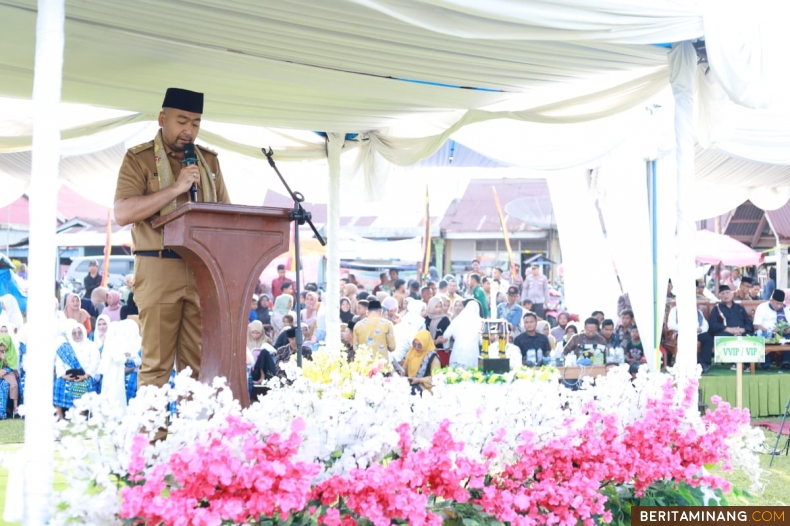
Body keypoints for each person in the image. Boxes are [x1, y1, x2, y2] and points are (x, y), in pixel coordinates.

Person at [113, 87, 231, 390]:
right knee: (156, 366)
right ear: (162, 119)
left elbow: (226, 218)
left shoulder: (208, 162)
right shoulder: (138, 159)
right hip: (158, 266)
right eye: (181, 121)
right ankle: (151, 438)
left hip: (201, 269)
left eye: (195, 122)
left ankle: (187, 437)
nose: (188, 130)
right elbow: (123, 212)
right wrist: (177, 188)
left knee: (197, 368)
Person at [53, 321, 101, 419]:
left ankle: (81, 416)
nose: (77, 335)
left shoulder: (91, 345)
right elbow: (59, 363)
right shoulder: (65, 347)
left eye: (79, 332)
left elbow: (95, 363)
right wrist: (63, 375)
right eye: (74, 333)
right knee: (59, 382)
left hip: (86, 375)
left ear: (84, 332)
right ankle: (59, 415)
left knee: (81, 385)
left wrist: (85, 375)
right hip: (68, 375)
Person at [99, 320, 135, 413]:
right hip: (112, 371)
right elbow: (116, 357)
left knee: (118, 391)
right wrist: (125, 356)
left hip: (117, 371)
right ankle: (111, 414)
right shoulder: (111, 342)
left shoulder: (112, 341)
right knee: (113, 392)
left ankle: (118, 414)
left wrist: (124, 355)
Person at [667, 304, 713, 373]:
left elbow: (705, 325)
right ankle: (700, 363)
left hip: (697, 332)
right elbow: (671, 325)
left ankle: (706, 363)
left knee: (708, 339)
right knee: (688, 341)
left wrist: (700, 329)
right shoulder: (675, 310)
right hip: (683, 333)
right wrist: (687, 329)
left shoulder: (698, 311)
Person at [753, 290, 790, 369]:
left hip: (781, 333)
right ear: (771, 301)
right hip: (766, 332)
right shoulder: (762, 307)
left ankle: (786, 362)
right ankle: (766, 364)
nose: (779, 306)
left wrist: (788, 329)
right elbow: (756, 326)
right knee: (762, 336)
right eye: (777, 303)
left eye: (781, 303)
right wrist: (769, 330)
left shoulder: (785, 309)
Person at [444, 299, 482, 368]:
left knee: (454, 376)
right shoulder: (479, 322)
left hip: (457, 354)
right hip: (472, 356)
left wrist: (446, 347)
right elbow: (482, 341)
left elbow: (446, 334)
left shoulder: (458, 319)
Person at [0, 334, 20, 419]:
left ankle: (2, 413)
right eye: (0, 345)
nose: (2, 347)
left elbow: (13, 366)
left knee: (4, 387)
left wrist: (4, 360)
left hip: (9, 373)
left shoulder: (12, 352)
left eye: (4, 345)